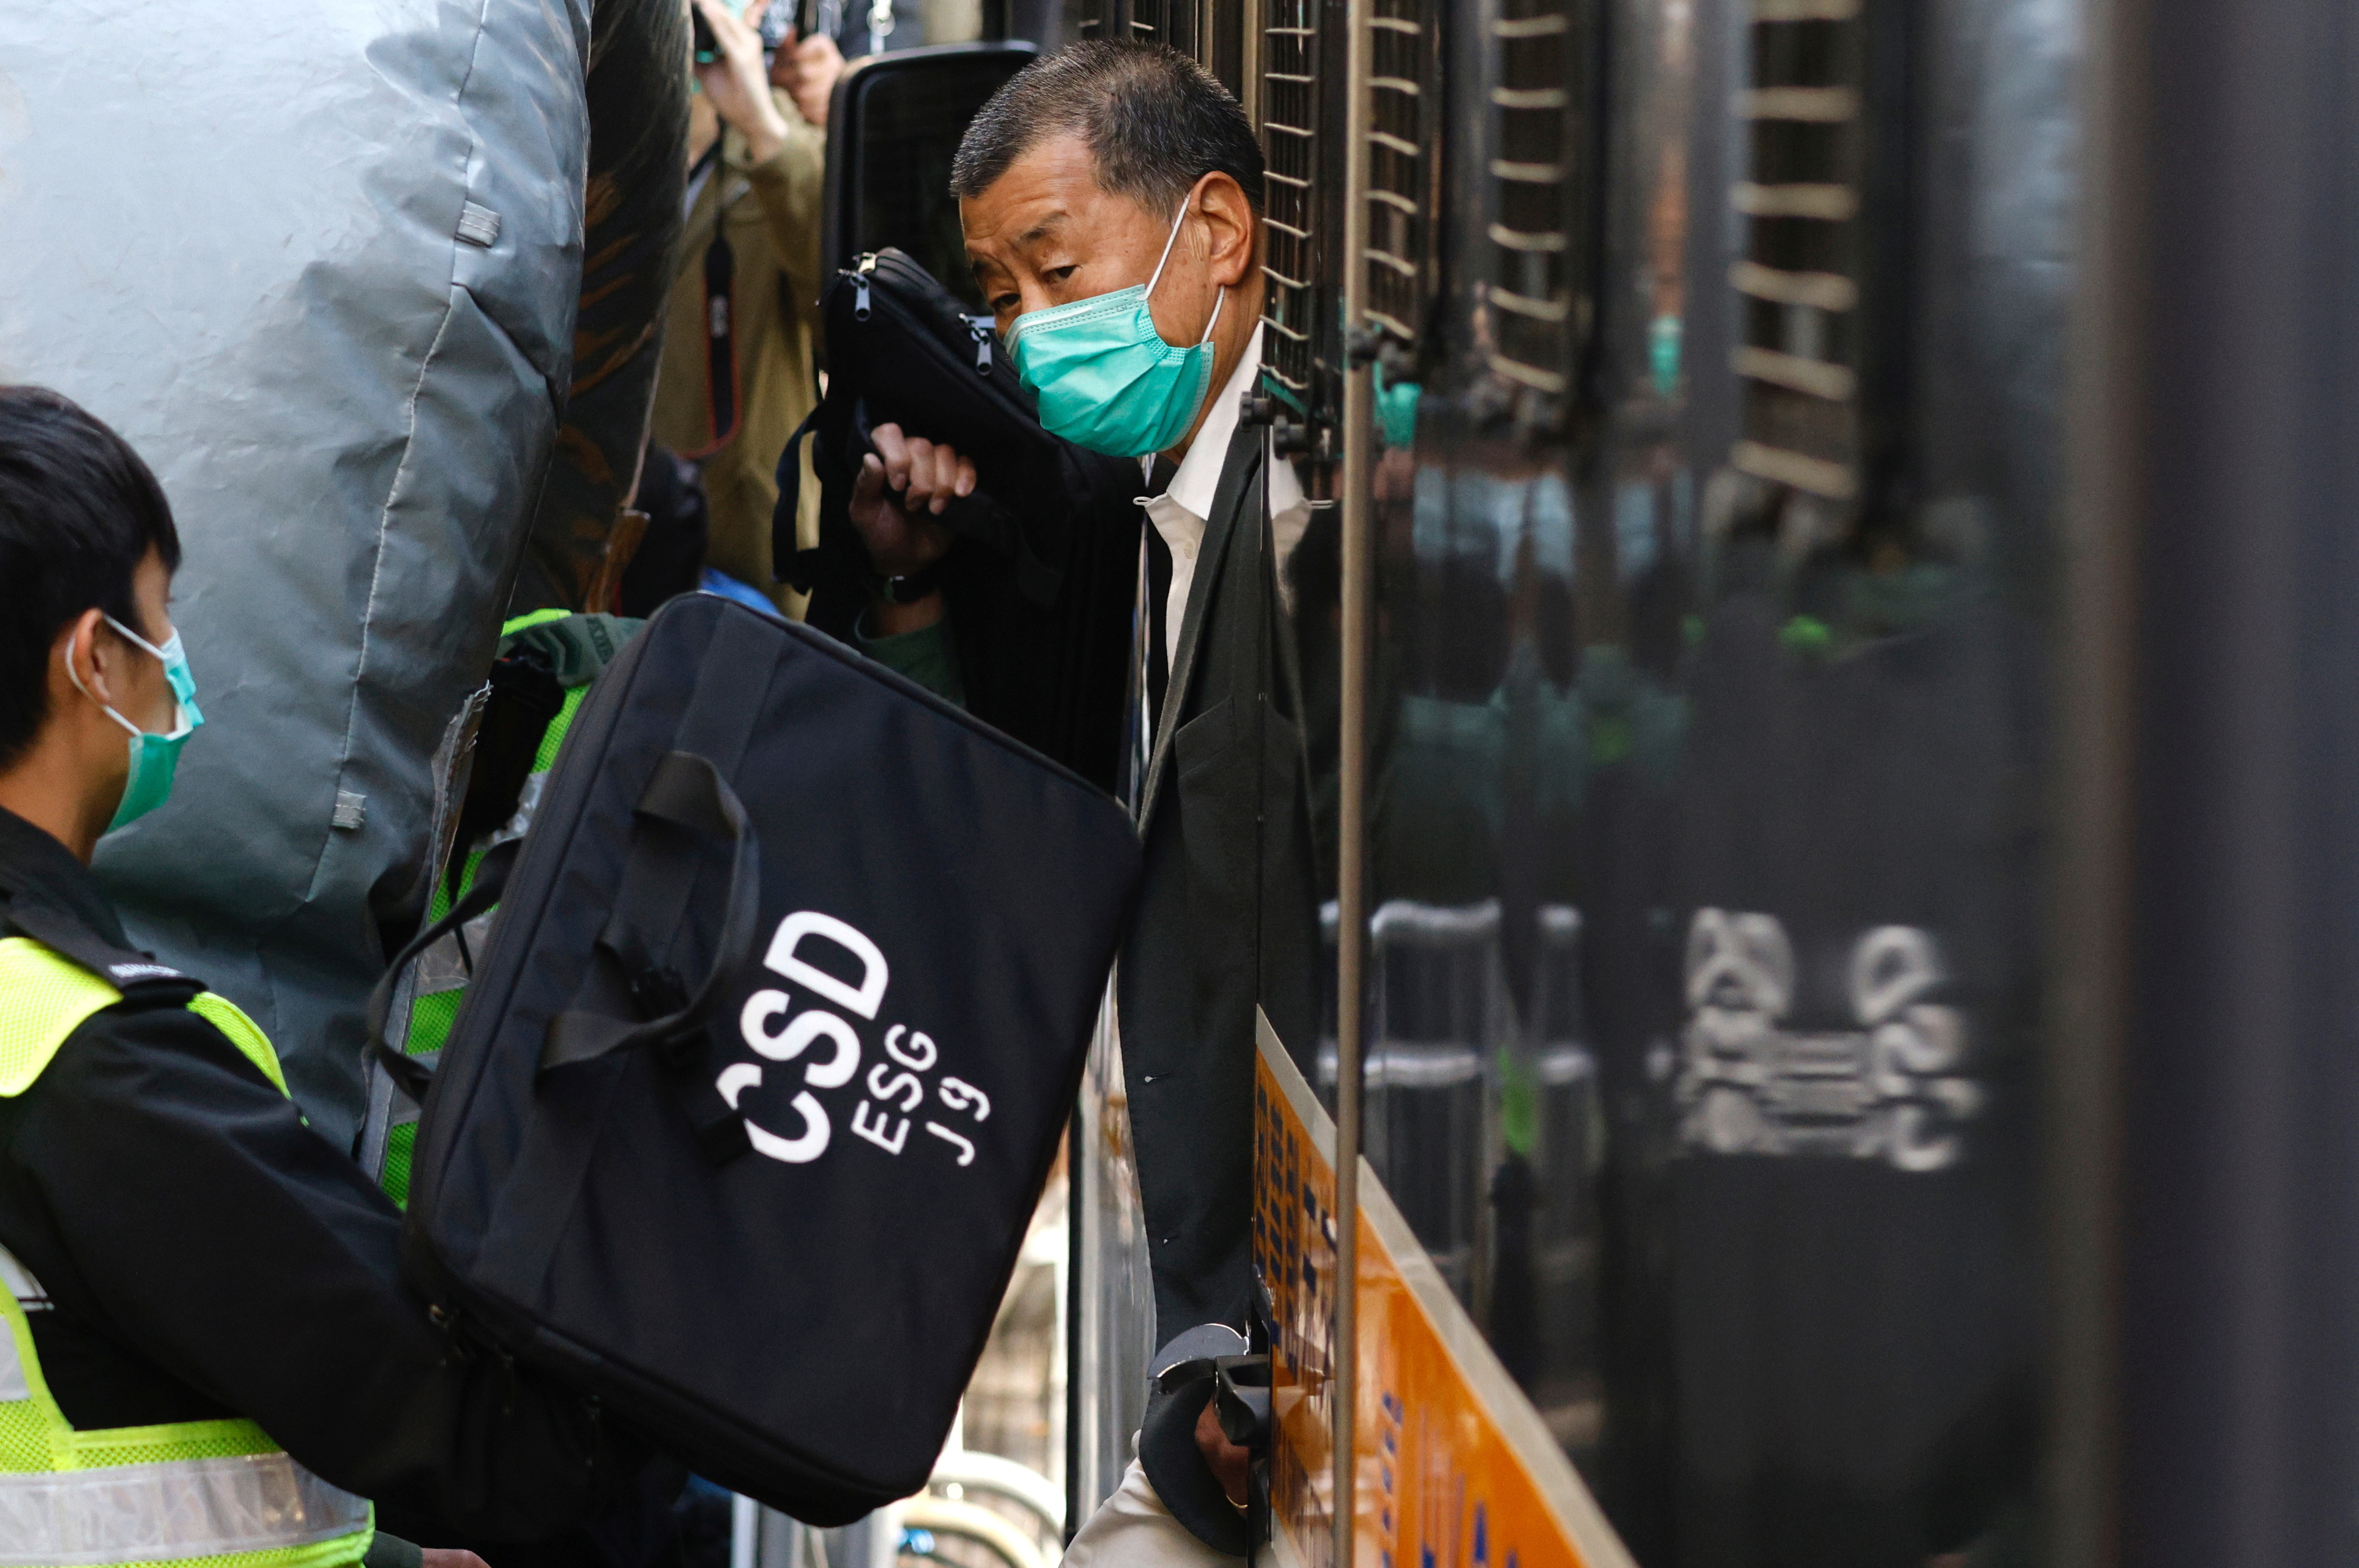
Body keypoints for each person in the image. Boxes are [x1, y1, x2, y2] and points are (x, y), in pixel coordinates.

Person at [0, 386, 653, 1567]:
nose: (175, 665)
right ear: (94, 660)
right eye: (161, 620)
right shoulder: (88, 1059)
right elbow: (479, 1439)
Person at [844, 42, 1318, 1563]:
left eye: (1058, 271)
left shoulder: (1307, 521)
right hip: (1213, 1354)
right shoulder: (1122, 512)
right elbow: (983, 841)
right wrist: (916, 572)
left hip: (1265, 1349)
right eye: (1000, 298)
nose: (1035, 334)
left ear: (1219, 237)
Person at [651, 0, 843, 615]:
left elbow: (841, 316)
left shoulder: (786, 144)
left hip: (750, 535)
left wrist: (763, 126)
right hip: (617, 521)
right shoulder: (599, 136)